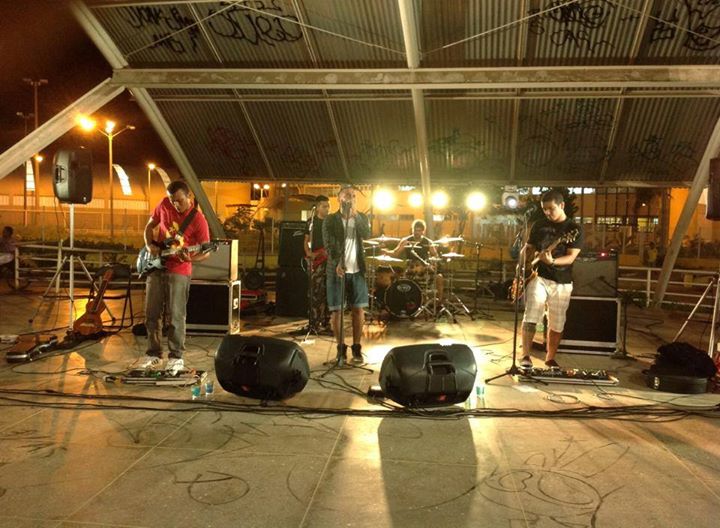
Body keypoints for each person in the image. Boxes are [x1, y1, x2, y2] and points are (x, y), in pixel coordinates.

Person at [140, 180, 210, 374]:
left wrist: (191, 258)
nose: (175, 204)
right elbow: (149, 226)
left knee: (176, 315)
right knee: (151, 313)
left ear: (189, 197)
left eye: (179, 200)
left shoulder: (198, 219)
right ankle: (153, 354)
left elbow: (206, 251)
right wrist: (149, 245)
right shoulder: (164, 204)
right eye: (172, 201)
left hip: (179, 269)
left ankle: (176, 357)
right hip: (156, 266)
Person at [520, 190, 583, 370]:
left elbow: (571, 257)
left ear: (561, 205)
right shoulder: (539, 225)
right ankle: (525, 356)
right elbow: (529, 247)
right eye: (544, 209)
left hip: (562, 281)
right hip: (538, 276)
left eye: (551, 208)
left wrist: (553, 261)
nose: (547, 212)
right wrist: (523, 261)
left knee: (557, 321)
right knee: (531, 314)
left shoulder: (574, 229)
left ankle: (550, 358)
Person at [323, 184, 371, 363]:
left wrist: (356, 216)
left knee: (358, 309)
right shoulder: (331, 220)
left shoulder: (361, 217)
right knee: (337, 311)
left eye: (353, 196)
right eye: (347, 195)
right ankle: (340, 348)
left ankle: (356, 348)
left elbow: (366, 234)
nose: (351, 198)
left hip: (357, 270)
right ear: (339, 199)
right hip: (337, 272)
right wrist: (337, 263)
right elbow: (328, 244)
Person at [384, 219, 444, 302]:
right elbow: (395, 253)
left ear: (423, 231)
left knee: (439, 277)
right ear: (412, 230)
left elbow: (435, 256)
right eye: (415, 230)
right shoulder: (406, 241)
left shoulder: (428, 242)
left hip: (424, 269)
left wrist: (432, 265)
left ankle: (439, 302)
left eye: (419, 230)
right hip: (410, 268)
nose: (417, 232)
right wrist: (385, 252)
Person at [303, 195, 331, 333]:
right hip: (316, 260)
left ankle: (327, 322)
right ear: (318, 207)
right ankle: (314, 322)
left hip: (329, 260)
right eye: (325, 206)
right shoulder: (311, 222)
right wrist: (309, 253)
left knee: (329, 292)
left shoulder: (331, 222)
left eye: (328, 206)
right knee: (315, 292)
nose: (327, 209)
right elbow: (306, 240)